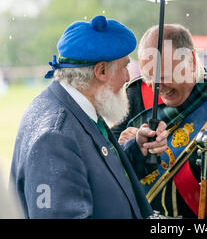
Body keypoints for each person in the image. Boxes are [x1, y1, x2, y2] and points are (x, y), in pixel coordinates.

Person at [10, 15, 168, 219]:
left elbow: (96, 176)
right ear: (101, 71)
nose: (128, 77)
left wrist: (138, 151)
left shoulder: (77, 105)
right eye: (124, 67)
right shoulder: (55, 137)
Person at [112, 24, 207, 218]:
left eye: (164, 75)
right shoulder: (135, 95)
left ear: (190, 60)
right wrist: (131, 147)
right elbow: (110, 169)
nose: (156, 86)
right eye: (149, 76)